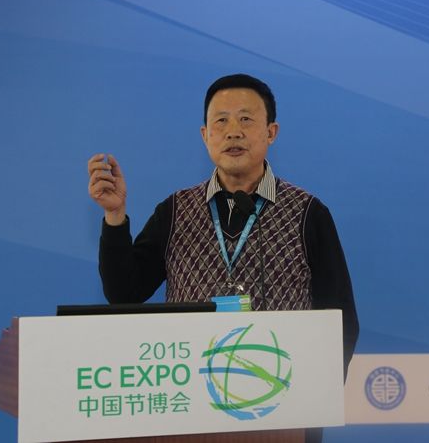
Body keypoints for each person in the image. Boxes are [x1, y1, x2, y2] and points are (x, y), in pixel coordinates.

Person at [87, 74, 359, 377]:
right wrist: (115, 215)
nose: (233, 132)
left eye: (246, 119)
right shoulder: (175, 211)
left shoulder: (307, 212)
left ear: (271, 132)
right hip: (191, 390)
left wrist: (319, 390)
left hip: (279, 391)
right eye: (221, 121)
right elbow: (124, 294)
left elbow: (341, 318)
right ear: (205, 135)